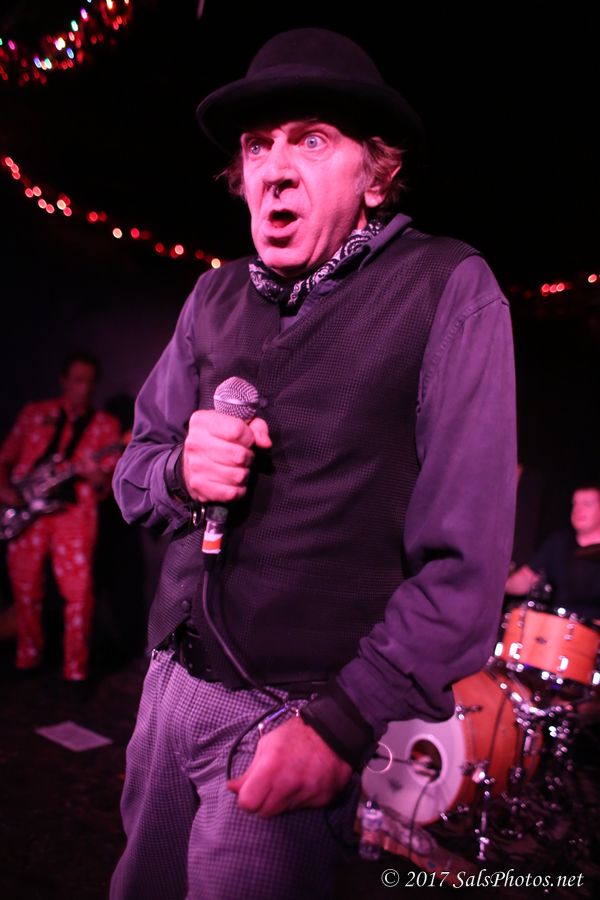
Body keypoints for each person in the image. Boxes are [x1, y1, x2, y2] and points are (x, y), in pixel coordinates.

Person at [110, 28, 516, 900]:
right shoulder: (213, 293)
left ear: (375, 175)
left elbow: (463, 570)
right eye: (259, 145)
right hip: (168, 689)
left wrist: (338, 727)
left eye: (313, 140)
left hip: (291, 717)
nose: (275, 169)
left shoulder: (447, 286)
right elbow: (134, 469)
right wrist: (180, 471)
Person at [0, 352, 121, 682]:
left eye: (90, 382)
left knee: (79, 593)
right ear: (63, 380)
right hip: (26, 510)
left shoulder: (106, 426)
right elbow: (5, 457)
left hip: (73, 515)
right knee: (25, 590)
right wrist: (6, 491)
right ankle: (28, 659)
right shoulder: (34, 414)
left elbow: (108, 484)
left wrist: (95, 474)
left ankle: (75, 672)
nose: (84, 388)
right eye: (77, 380)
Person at [505, 484, 600, 620]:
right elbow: (526, 578)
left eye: (587, 504)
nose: (578, 509)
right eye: (575, 504)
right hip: (555, 625)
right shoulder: (559, 542)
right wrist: (498, 586)